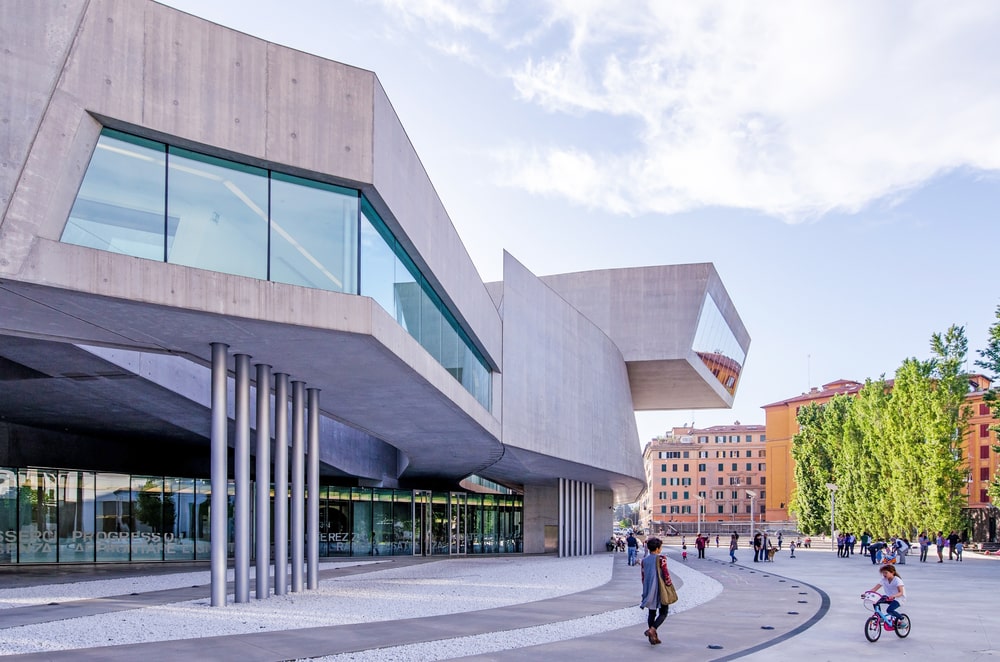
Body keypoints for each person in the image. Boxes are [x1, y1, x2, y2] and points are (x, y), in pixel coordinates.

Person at [640, 537, 672, 645]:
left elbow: (643, 577)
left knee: (651, 612)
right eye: (661, 547)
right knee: (664, 612)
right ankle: (652, 629)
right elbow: (666, 574)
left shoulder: (644, 561)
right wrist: (669, 585)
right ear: (658, 548)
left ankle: (653, 637)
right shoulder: (661, 558)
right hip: (659, 588)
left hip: (649, 588)